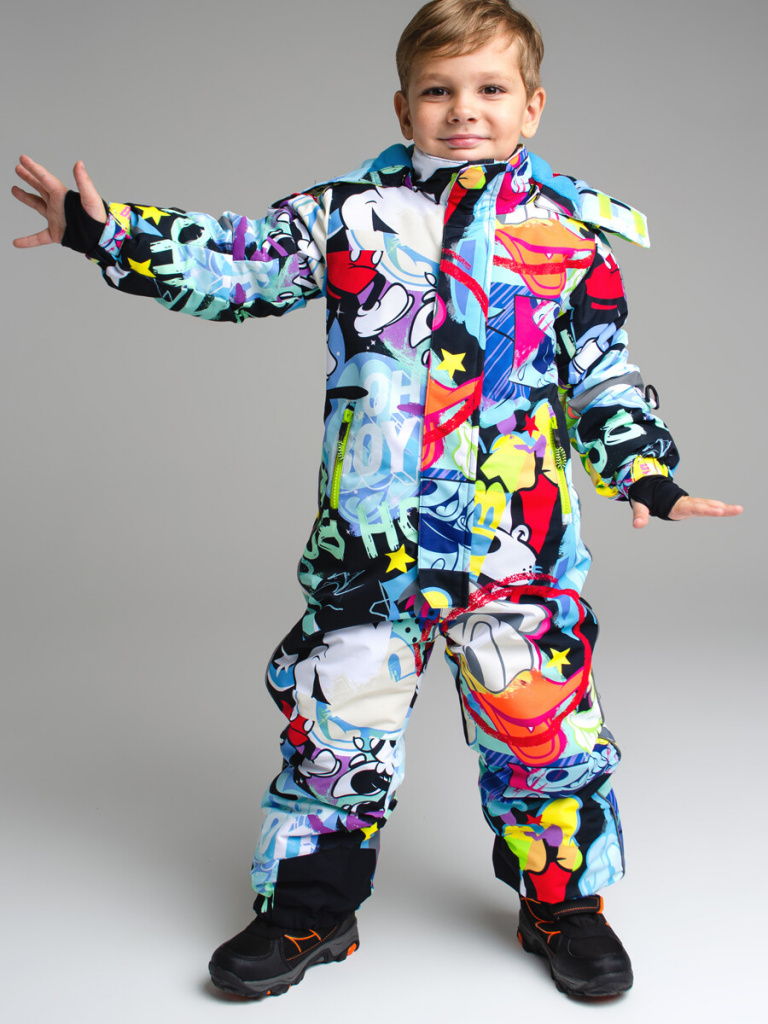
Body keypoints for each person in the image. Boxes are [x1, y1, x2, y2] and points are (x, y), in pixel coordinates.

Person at [12, 0, 742, 1002]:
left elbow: (602, 374)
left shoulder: (573, 236)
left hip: (514, 549)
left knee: (543, 728)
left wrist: (645, 472)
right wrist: (106, 235)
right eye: (438, 90)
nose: (464, 110)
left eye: (489, 89)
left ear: (532, 106)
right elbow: (240, 263)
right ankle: (309, 909)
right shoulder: (346, 215)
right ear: (403, 107)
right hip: (372, 545)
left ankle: (564, 905)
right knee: (336, 730)